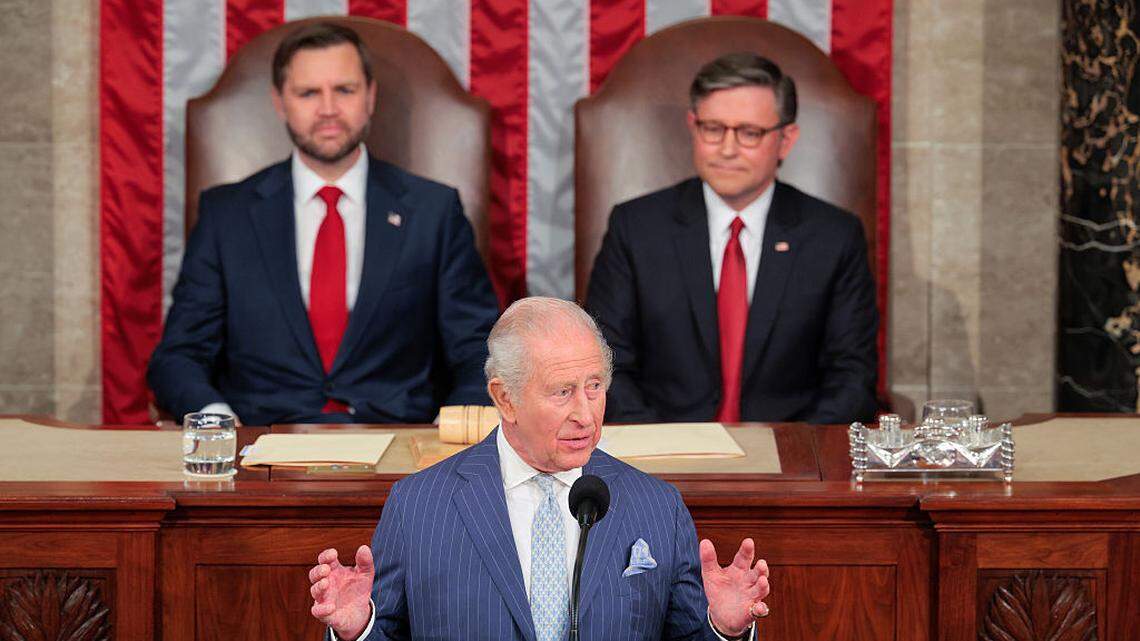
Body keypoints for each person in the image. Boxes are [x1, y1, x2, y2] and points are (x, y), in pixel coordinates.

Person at [308, 297, 771, 640]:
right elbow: (384, 632)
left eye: (594, 386)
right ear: (505, 398)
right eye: (562, 392)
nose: (585, 414)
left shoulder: (657, 506)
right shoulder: (419, 506)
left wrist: (724, 629)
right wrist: (357, 630)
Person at [148, 22, 499, 425]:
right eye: (308, 93)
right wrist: (218, 423)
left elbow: (478, 348)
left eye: (344, 90)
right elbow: (180, 355)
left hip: (398, 441)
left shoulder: (433, 212)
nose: (328, 109)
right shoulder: (226, 215)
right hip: (261, 442)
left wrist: (454, 425)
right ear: (280, 102)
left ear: (370, 96)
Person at [585, 52, 878, 425]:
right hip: (663, 445)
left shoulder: (834, 236)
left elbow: (852, 378)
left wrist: (794, 450)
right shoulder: (636, 227)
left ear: (786, 139)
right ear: (693, 127)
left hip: (790, 448)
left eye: (749, 133)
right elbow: (606, 364)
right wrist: (665, 448)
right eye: (713, 128)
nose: (726, 149)